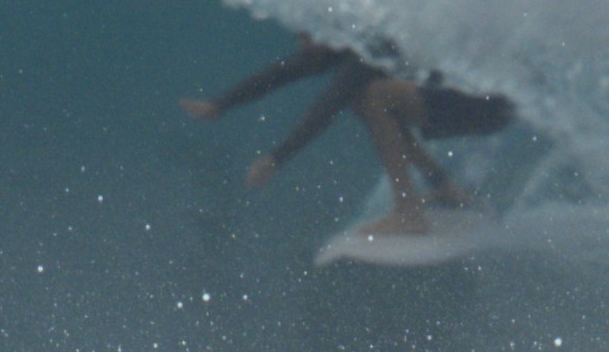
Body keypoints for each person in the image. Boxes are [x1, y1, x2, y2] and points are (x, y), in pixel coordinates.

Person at [182, 33, 518, 235]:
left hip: (485, 105)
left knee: (373, 97)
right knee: (371, 102)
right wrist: (221, 104)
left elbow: (324, 109)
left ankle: (408, 213)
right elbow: (287, 71)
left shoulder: (364, 51)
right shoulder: (342, 41)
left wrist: (275, 159)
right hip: (478, 100)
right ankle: (444, 188)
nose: (301, 42)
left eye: (306, 36)